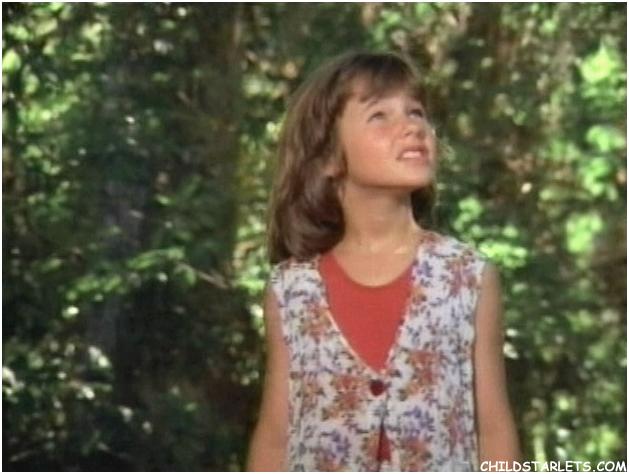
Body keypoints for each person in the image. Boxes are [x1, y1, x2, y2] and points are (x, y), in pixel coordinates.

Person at [246, 50, 520, 471]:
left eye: (417, 112)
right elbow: (276, 436)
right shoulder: (291, 291)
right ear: (328, 157)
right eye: (380, 115)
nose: (413, 126)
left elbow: (494, 430)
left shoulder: (468, 277)